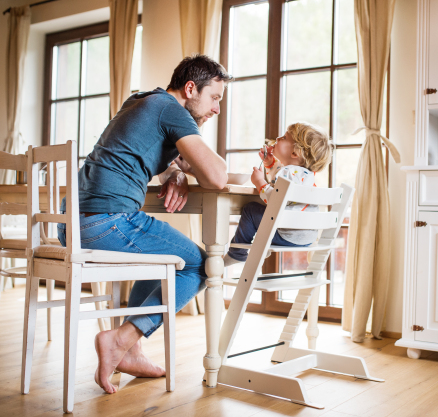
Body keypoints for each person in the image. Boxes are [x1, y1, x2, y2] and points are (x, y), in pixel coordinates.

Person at [57, 54, 232, 394]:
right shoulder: (172, 110)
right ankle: (122, 340)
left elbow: (147, 155)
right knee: (200, 264)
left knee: (162, 255)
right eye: (215, 98)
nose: (216, 109)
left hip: (73, 224)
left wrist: (177, 171)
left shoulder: (140, 100)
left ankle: (132, 350)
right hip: (106, 220)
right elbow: (217, 177)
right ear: (191, 88)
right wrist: (186, 169)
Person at [223, 122, 333, 267]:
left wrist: (260, 183)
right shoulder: (305, 175)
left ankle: (237, 254)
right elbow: (280, 185)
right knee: (261, 212)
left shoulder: (289, 173)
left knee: (250, 210)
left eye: (284, 137)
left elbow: (275, 200)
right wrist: (269, 164)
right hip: (306, 239)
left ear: (295, 153)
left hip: (286, 236)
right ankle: (261, 244)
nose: (277, 138)